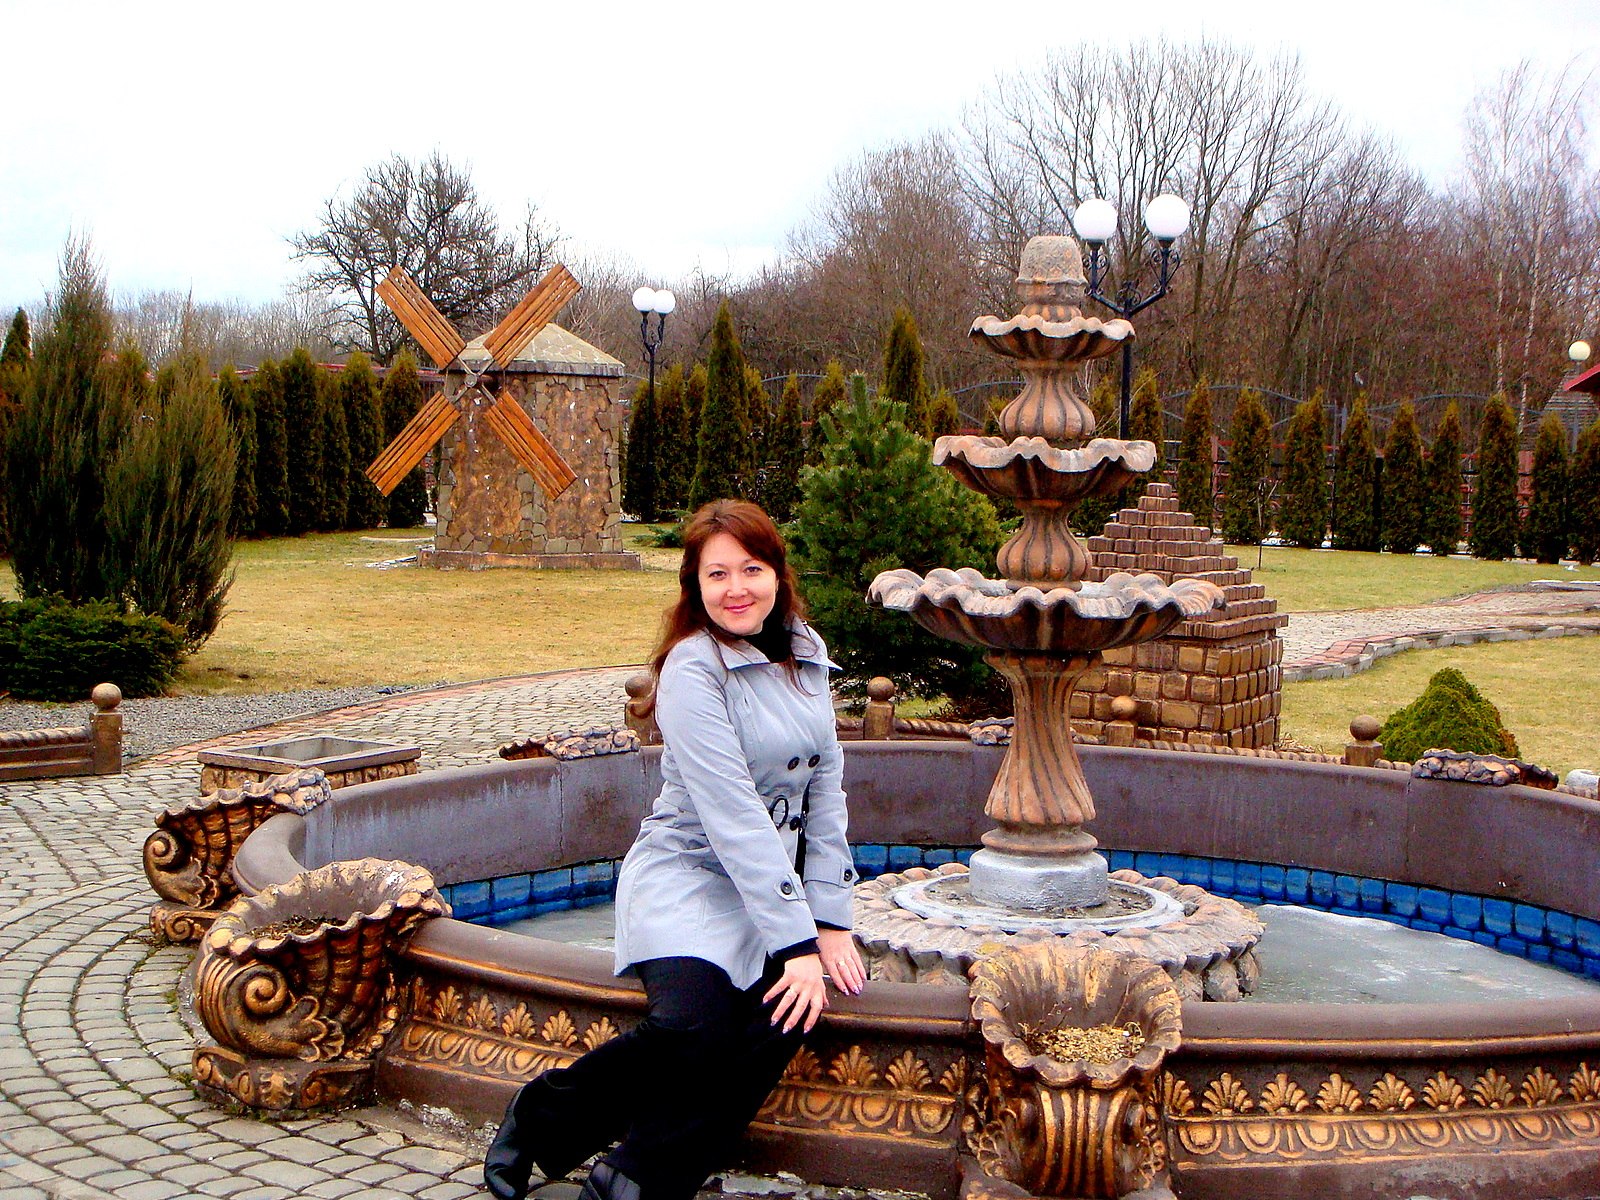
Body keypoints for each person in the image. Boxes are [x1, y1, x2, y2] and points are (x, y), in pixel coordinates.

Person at [484, 498, 867, 1200]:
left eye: (751, 569)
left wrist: (831, 919)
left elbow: (826, 796)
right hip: (689, 873)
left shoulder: (806, 655)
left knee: (787, 1013)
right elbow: (734, 817)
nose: (736, 589)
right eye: (717, 574)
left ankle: (636, 1177)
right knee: (693, 1024)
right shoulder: (693, 670)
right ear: (695, 586)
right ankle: (541, 1117)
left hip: (766, 890)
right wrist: (798, 944)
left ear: (777, 574)